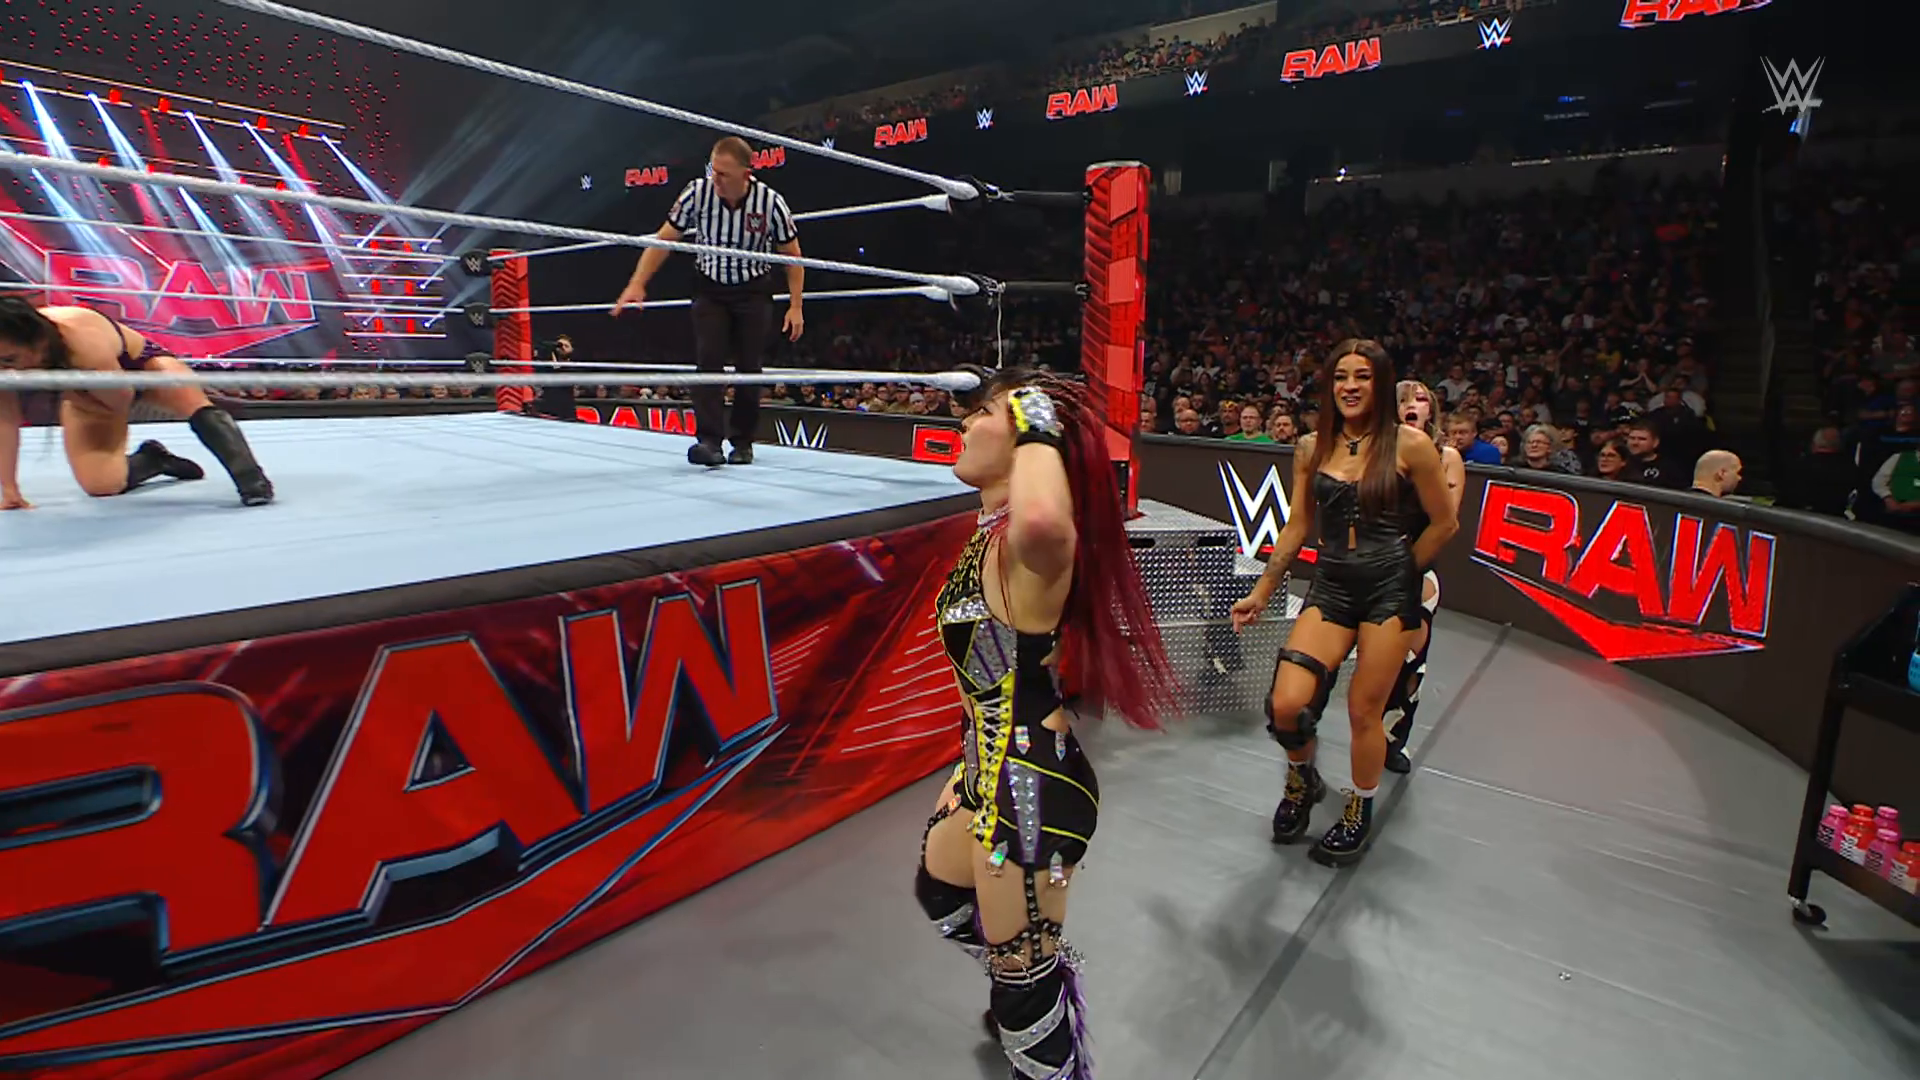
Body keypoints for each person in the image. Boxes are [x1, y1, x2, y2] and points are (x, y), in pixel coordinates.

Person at [916, 367, 1177, 1078]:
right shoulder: (990, 536)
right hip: (988, 768)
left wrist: (1036, 414)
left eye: (985, 414)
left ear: (1028, 442)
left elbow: (1043, 521)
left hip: (1029, 796)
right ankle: (1030, 985)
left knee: (1026, 995)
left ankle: (1031, 1002)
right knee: (941, 891)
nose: (964, 423)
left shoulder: (1029, 547)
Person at [1229, 341, 1458, 867]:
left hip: (1388, 590)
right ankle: (1302, 779)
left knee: (1363, 711)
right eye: (1340, 377)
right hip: (1332, 584)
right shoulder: (1312, 447)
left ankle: (1359, 808)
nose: (1350, 386)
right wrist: (1263, 590)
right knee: (1287, 704)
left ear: (1381, 383)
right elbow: (1297, 526)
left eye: (1362, 376)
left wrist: (1404, 571)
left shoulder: (1412, 445)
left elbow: (1445, 522)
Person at [611, 136, 803, 466]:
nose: (716, 179)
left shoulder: (770, 202)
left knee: (749, 368)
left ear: (746, 174)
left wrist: (796, 305)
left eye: (724, 174)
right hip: (710, 288)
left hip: (753, 290)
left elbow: (793, 256)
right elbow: (665, 239)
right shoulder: (697, 193)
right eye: (713, 171)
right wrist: (637, 283)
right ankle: (709, 442)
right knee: (708, 361)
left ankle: (743, 443)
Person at [0, 298, 272, 509]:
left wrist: (73, 391)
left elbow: (122, 399)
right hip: (85, 395)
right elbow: (5, 420)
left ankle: (251, 480)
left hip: (139, 369)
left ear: (38, 344)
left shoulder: (80, 341)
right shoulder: (8, 361)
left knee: (192, 402)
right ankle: (153, 459)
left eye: (10, 359)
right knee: (100, 485)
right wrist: (10, 490)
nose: (6, 368)